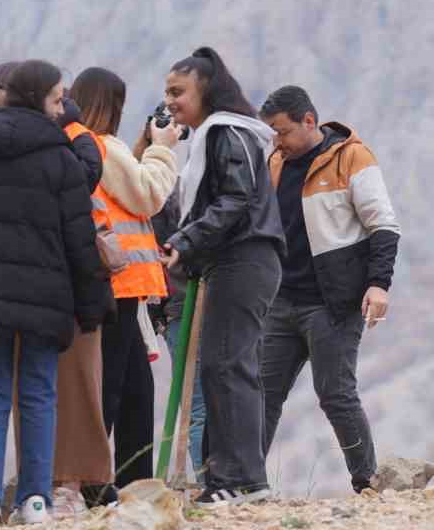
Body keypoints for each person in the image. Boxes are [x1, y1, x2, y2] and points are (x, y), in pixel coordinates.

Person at [0, 59, 110, 526]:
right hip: (44, 297)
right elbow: (80, 240)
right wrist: (93, 304)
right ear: (38, 99)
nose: (63, 106)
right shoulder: (60, 158)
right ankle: (35, 499)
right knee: (38, 392)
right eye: (57, 97)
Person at [256, 86, 401, 491]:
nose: (277, 140)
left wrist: (378, 284)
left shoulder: (352, 158)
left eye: (282, 131)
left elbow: (383, 225)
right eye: (272, 132)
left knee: (335, 392)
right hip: (281, 301)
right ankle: (248, 481)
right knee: (263, 393)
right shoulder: (275, 165)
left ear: (308, 121)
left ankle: (367, 481)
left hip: (332, 303)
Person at [160, 47, 283, 505]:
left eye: (178, 92)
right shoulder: (213, 135)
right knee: (225, 364)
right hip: (232, 261)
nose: (170, 102)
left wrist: (186, 241)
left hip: (244, 258)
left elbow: (236, 200)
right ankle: (227, 476)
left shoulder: (226, 131)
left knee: (228, 364)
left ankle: (241, 480)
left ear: (205, 90)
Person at [64, 68, 179, 508]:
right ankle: (95, 484)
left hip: (118, 283)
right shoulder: (100, 145)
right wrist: (163, 150)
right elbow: (149, 195)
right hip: (120, 282)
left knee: (135, 390)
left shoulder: (80, 144)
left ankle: (134, 486)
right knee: (111, 387)